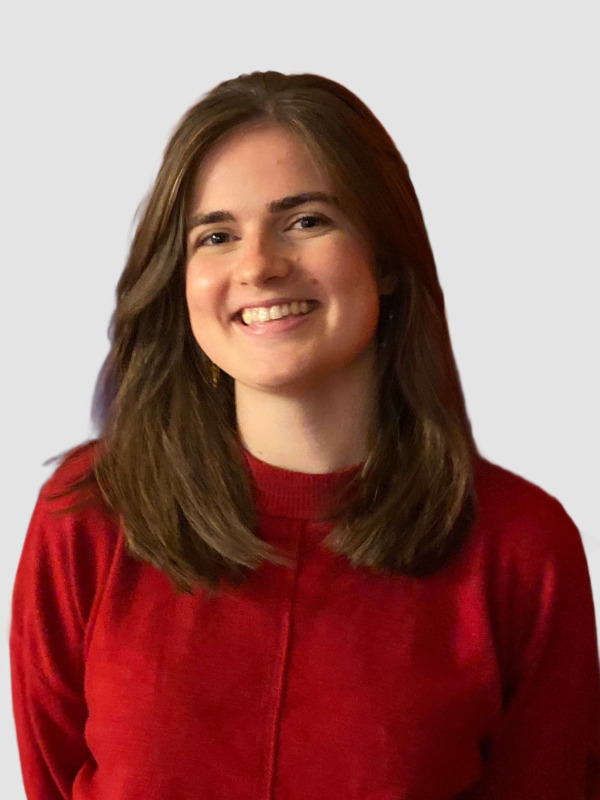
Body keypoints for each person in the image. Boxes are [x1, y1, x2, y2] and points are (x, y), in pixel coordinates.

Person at [10, 71, 600, 799]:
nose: (259, 265)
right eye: (217, 236)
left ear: (385, 260)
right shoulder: (88, 518)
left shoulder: (523, 549)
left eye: (306, 221)